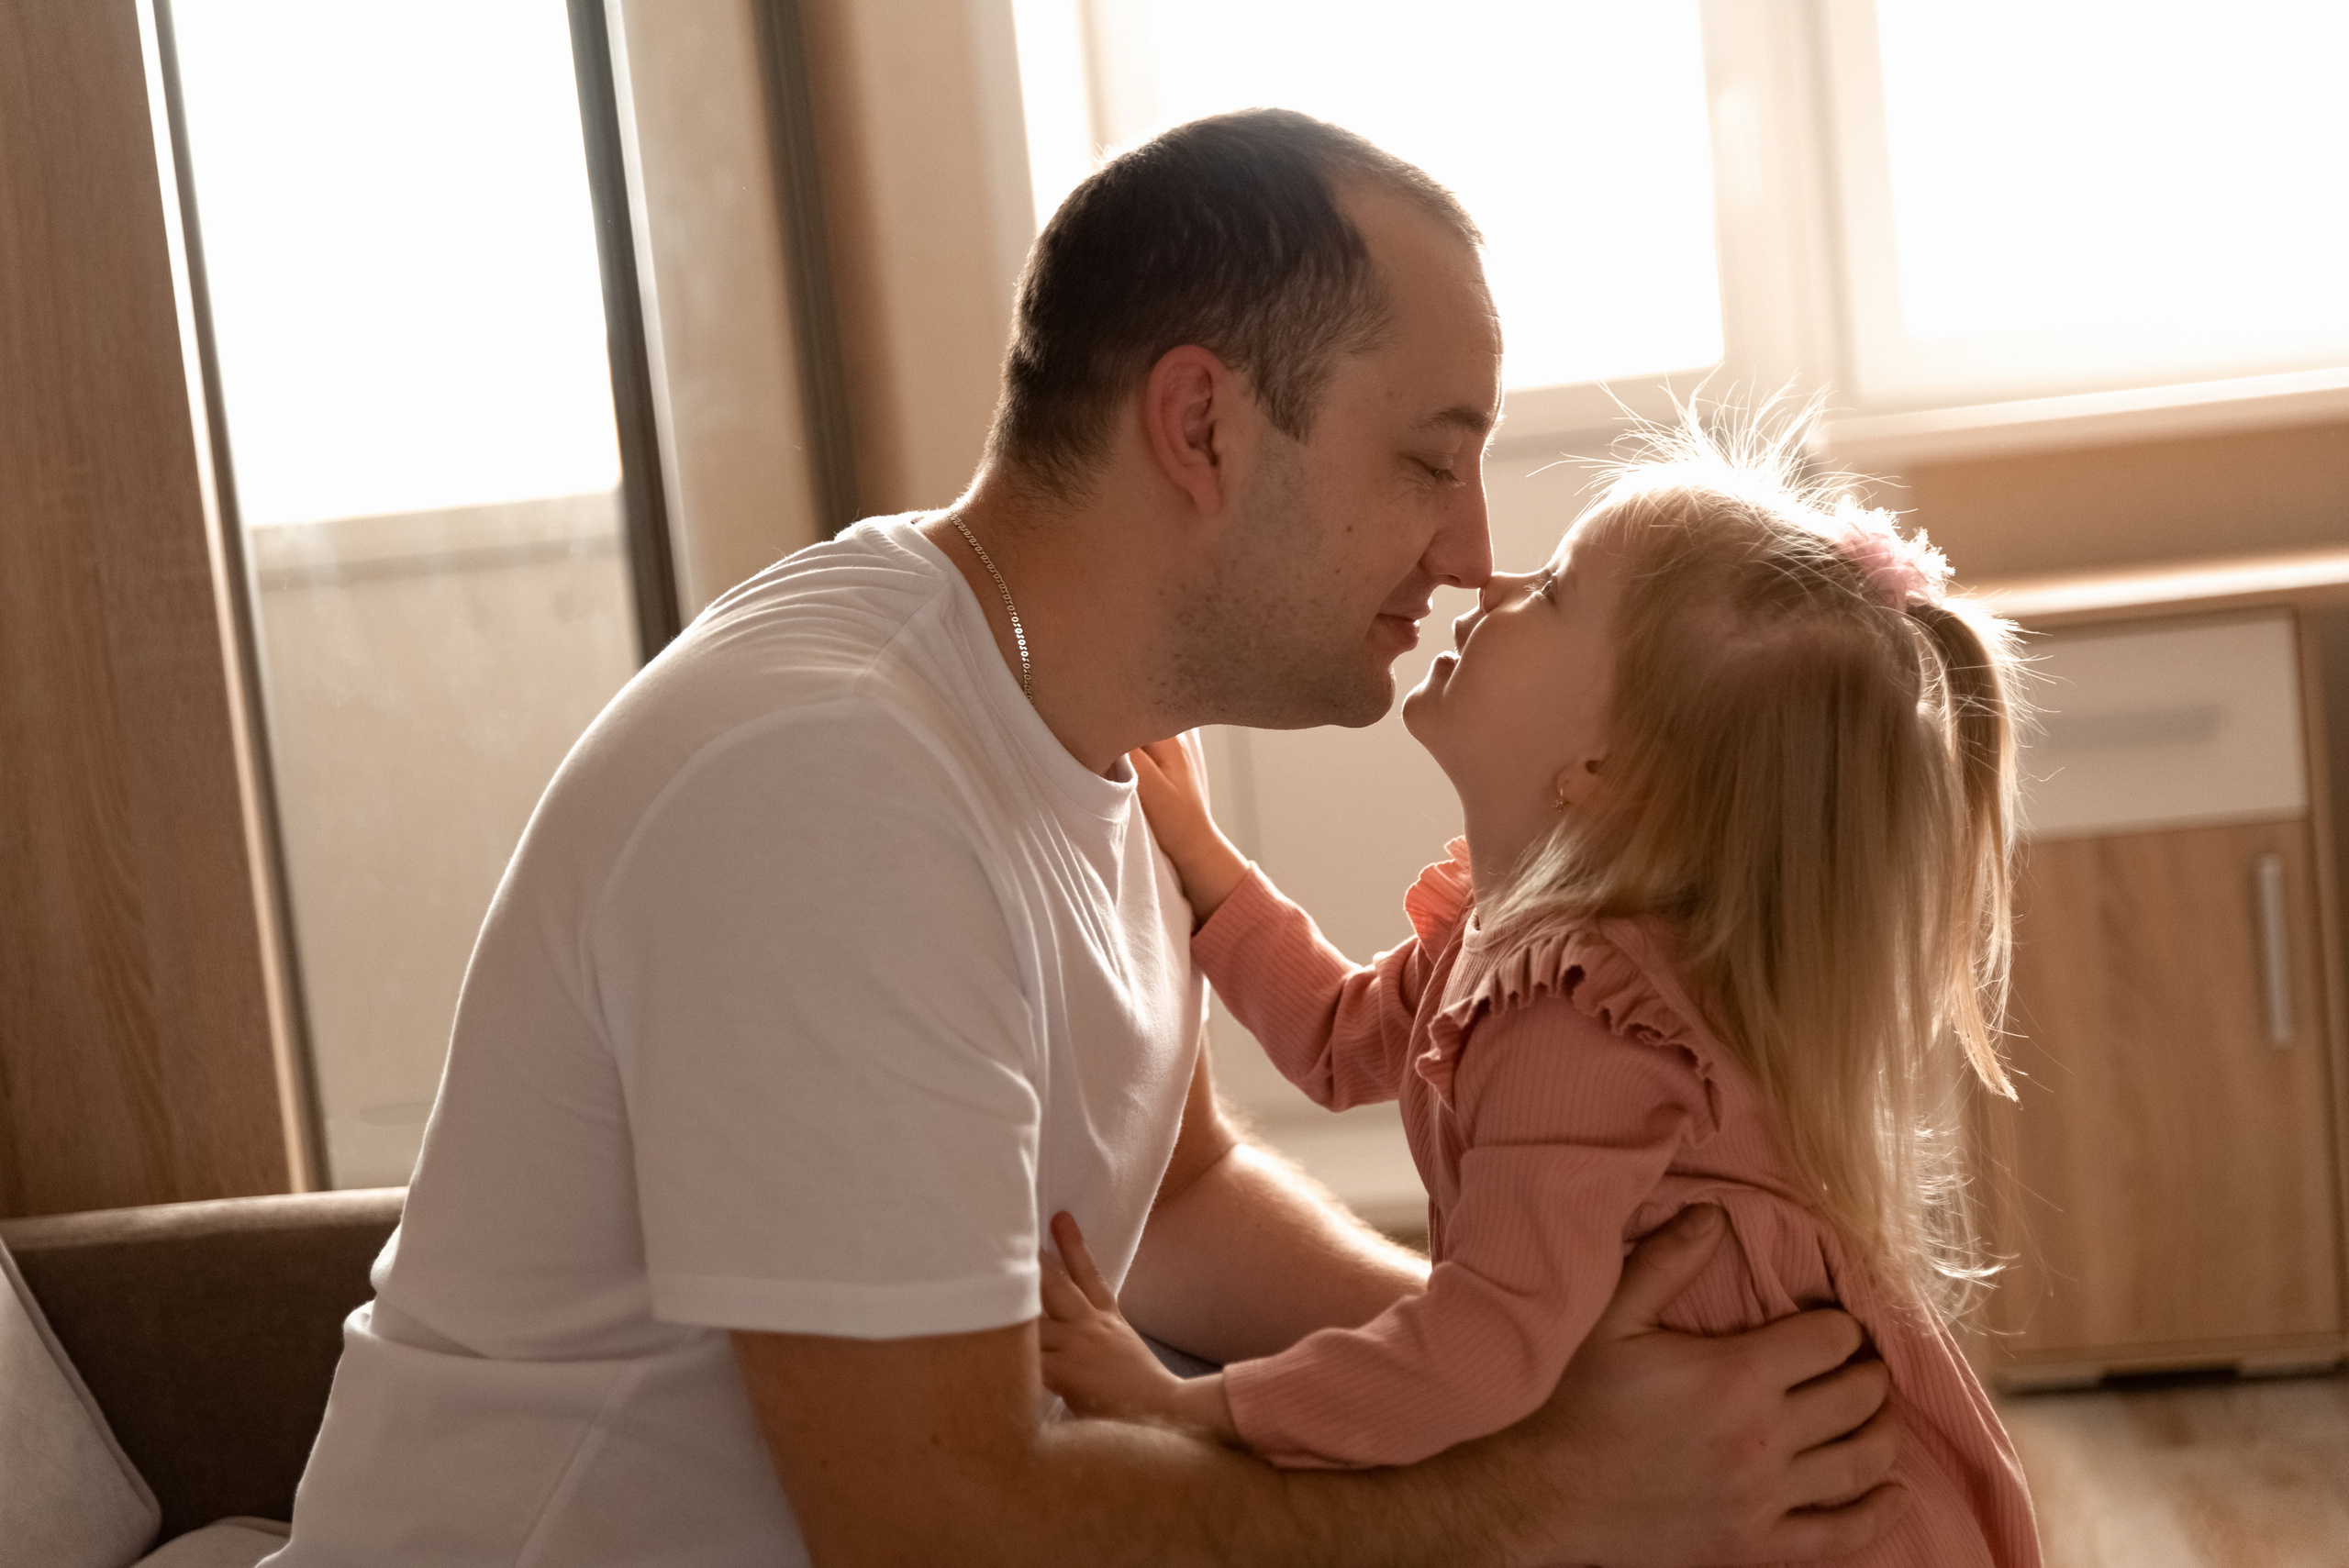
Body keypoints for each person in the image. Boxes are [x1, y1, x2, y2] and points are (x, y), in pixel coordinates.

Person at [269, 112, 1908, 1566]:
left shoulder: (1085, 713)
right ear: (1200, 426)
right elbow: (937, 1525)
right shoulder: (834, 789)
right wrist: (1541, 1494)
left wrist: (1560, 1366)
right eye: (1428, 460)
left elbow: (1176, 1193)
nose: (1474, 556)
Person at [1037, 418, 2042, 1564]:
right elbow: (1335, 1037)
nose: (1491, 580)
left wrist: (1186, 1411)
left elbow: (1478, 1349)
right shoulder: (1528, 944)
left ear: (1609, 768)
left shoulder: (1579, 1018)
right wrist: (1203, 859)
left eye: (1555, 590)